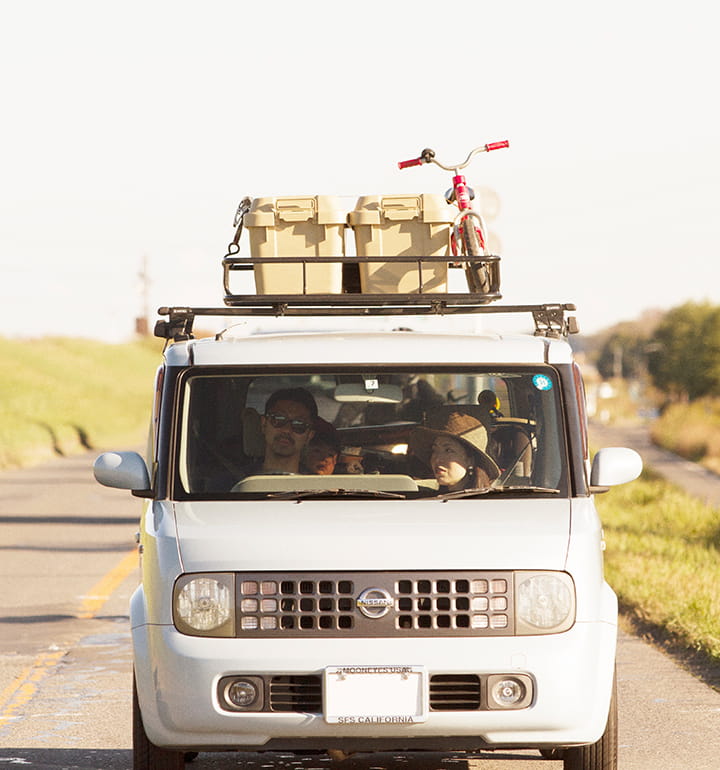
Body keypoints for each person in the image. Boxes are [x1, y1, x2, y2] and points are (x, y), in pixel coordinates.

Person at [409, 409, 500, 493]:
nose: (437, 459)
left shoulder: (487, 504)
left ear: (470, 460)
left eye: (448, 450)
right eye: (434, 450)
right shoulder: (426, 500)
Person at [245, 387, 318, 476]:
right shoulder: (234, 483)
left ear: (309, 436)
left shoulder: (317, 487)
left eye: (298, 424)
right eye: (279, 419)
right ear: (264, 424)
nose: (286, 430)